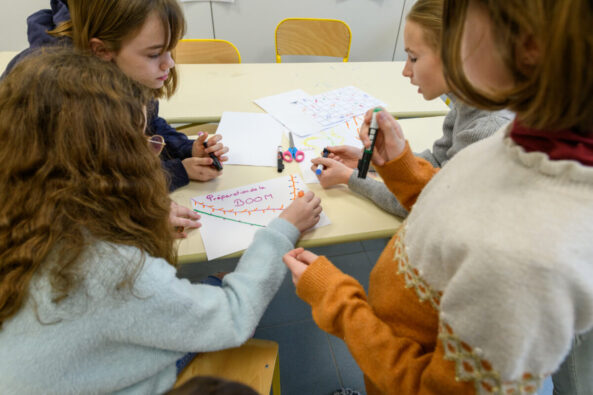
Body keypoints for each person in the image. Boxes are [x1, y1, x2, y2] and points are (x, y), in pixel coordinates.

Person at [284, 0, 593, 393]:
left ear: (528, 42)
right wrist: (399, 165)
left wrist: (338, 301)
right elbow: (456, 203)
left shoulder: (526, 259)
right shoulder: (525, 142)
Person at [0, 48, 322, 394]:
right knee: (226, 288)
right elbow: (233, 317)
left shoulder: (19, 212)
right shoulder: (111, 270)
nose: (154, 150)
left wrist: (124, 215)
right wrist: (282, 230)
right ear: (111, 166)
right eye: (145, 142)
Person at [2, 0, 229, 235]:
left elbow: (147, 127)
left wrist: (186, 148)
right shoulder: (65, 98)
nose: (170, 63)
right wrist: (168, 182)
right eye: (154, 54)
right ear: (101, 51)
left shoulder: (121, 66)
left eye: (170, 49)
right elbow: (91, 191)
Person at [311, 0, 513, 217]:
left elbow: (425, 203)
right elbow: (436, 163)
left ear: (456, 57)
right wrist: (366, 160)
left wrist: (350, 178)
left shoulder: (487, 130)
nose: (406, 71)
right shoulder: (467, 101)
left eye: (414, 58)